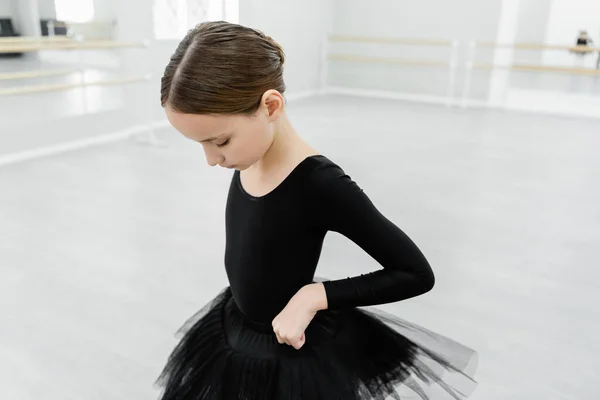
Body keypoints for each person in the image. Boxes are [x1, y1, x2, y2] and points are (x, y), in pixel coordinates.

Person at [155, 21, 478, 400]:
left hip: (287, 355)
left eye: (220, 141)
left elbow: (414, 272)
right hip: (235, 328)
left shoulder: (320, 184)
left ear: (270, 106)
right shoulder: (247, 157)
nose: (211, 160)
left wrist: (312, 297)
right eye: (202, 145)